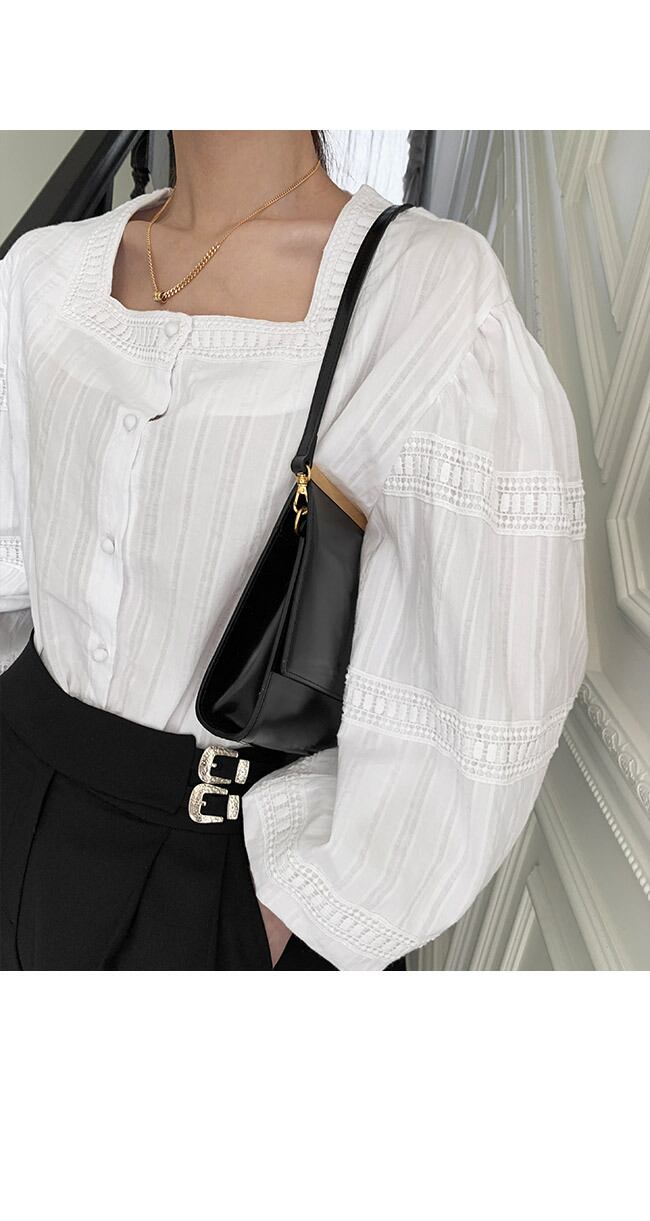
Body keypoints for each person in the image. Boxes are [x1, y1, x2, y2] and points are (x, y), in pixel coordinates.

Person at [0, 130, 588, 970]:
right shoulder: (43, 272)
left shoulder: (424, 294)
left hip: (219, 868)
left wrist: (289, 914)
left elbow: (488, 683)